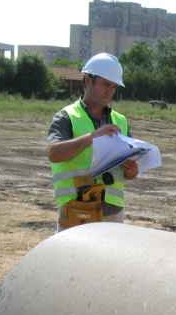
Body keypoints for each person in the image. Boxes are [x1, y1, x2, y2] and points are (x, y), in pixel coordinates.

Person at [46, 52, 138, 229]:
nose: (109, 91)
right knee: (71, 257)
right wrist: (92, 137)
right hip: (76, 209)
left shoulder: (121, 121)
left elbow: (129, 171)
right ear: (88, 80)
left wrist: (132, 170)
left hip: (112, 213)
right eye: (105, 84)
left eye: (113, 87)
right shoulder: (67, 117)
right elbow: (54, 153)